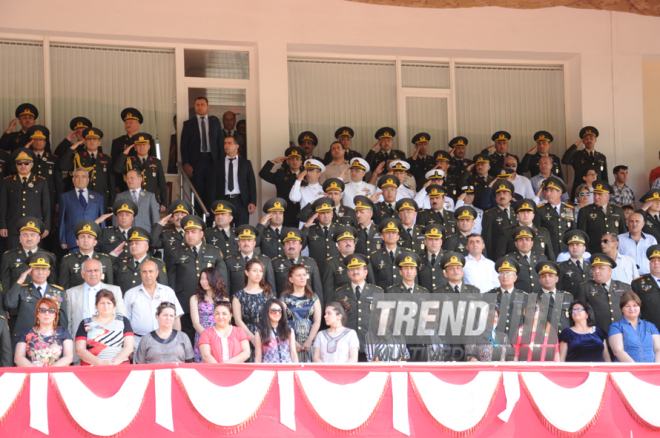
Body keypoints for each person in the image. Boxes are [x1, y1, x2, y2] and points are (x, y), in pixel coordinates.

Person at [168, 215, 227, 342]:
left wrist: (223, 301)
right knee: (186, 338)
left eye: (193, 232)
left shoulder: (214, 251)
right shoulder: (176, 252)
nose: (190, 235)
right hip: (184, 303)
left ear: (201, 233)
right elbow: (171, 281)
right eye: (187, 232)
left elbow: (222, 279)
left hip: (210, 305)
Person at [327, 254, 383, 362]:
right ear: (348, 273)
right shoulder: (340, 293)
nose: (355, 272)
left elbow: (383, 320)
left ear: (365, 272)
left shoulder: (377, 292)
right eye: (352, 269)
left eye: (358, 269)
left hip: (370, 345)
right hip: (346, 345)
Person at [5, 253, 68, 348]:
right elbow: (10, 304)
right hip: (24, 340)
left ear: (48, 272)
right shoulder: (21, 290)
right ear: (30, 272)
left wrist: (63, 340)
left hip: (51, 342)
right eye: (36, 269)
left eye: (44, 269)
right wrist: (19, 281)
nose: (40, 273)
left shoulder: (58, 292)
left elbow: (62, 320)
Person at [66, 258, 125, 358]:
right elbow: (68, 322)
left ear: (101, 273)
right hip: (80, 346)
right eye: (89, 271)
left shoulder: (115, 290)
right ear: (82, 274)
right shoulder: (71, 293)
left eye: (96, 270)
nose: (93, 273)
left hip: (109, 346)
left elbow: (121, 317)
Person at [124, 260, 184, 351]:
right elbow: (125, 321)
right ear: (140, 273)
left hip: (166, 341)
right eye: (144, 272)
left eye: (151, 271)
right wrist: (128, 346)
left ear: (157, 273)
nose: (148, 275)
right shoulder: (130, 294)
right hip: (138, 342)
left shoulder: (168, 292)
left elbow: (176, 318)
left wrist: (177, 341)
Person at [0, 148, 50, 249]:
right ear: (15, 165)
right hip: (13, 226)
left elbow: (46, 206)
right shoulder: (7, 181)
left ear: (32, 164)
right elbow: (3, 205)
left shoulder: (41, 181)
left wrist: (46, 226)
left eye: (26, 163)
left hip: (35, 227)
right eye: (19, 163)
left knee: (34, 258)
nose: (23, 166)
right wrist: (3, 225)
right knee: (13, 257)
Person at [180, 97, 224, 214]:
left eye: (202, 104)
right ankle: (199, 219)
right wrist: (186, 163)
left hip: (212, 160)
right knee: (197, 191)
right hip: (196, 161)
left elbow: (220, 144)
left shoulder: (215, 123)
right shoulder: (188, 124)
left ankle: (209, 221)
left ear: (208, 107)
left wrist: (221, 163)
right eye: (197, 104)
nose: (200, 107)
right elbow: (183, 146)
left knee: (211, 190)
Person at [0, 217, 57, 300]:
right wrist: (6, 308)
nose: (29, 238)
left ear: (39, 238)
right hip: (17, 306)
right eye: (25, 235)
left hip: (42, 307)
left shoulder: (49, 257)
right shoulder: (8, 257)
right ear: (20, 238)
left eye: (32, 235)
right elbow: (5, 285)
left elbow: (53, 284)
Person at [59, 127, 115, 211]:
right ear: (84, 142)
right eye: (89, 139)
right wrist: (71, 149)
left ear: (99, 142)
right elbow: (63, 166)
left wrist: (111, 202)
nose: (92, 141)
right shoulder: (77, 156)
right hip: (81, 196)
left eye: (95, 139)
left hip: (102, 196)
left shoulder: (107, 159)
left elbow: (111, 181)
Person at [75, 290, 134, 366]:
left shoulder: (123, 321)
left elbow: (129, 347)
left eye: (109, 303)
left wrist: (114, 363)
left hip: (120, 365)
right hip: (91, 366)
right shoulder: (85, 323)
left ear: (114, 306)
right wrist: (100, 363)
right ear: (96, 306)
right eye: (102, 303)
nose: (106, 306)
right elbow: (80, 350)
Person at [575, 253, 630, 335]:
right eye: (594, 269)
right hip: (596, 334)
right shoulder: (584, 288)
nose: (597, 271)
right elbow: (579, 312)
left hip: (622, 333)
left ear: (610, 271)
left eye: (601, 268)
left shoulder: (624, 287)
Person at [14, 297, 73, 367]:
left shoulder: (64, 332)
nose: (47, 313)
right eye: (42, 310)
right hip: (32, 374)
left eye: (51, 311)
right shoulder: (27, 333)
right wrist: (36, 372)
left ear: (55, 315)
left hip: (56, 374)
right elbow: (18, 358)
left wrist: (49, 371)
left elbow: (69, 358)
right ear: (37, 314)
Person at [211, 135, 257, 226]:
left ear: (237, 146)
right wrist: (213, 203)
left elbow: (251, 183)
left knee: (242, 229)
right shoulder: (218, 164)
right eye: (225, 143)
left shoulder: (246, 164)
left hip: (242, 201)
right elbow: (213, 186)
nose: (226, 146)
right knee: (225, 228)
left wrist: (252, 202)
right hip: (224, 200)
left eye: (229, 143)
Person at [232, 258, 271, 362]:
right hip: (246, 335)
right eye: (254, 270)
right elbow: (238, 320)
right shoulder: (238, 295)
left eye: (260, 271)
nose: (258, 274)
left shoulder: (268, 294)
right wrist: (252, 338)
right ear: (247, 272)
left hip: (266, 333)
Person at [281, 264, 322, 363]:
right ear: (291, 279)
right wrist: (292, 341)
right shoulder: (285, 298)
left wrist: (309, 340)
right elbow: (281, 322)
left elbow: (317, 321)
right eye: (298, 275)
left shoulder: (313, 297)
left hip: (310, 340)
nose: (302, 277)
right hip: (290, 340)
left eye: (304, 274)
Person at [58, 168, 105, 252]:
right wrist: (63, 240)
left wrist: (102, 240)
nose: (80, 179)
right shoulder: (65, 197)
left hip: (93, 240)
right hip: (73, 240)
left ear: (88, 179)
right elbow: (61, 220)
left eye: (83, 176)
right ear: (73, 180)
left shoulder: (98, 197)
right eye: (77, 176)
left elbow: (102, 221)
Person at [110, 108, 157, 191]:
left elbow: (153, 162)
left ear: (138, 125)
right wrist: (116, 184)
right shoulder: (118, 142)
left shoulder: (148, 141)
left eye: (131, 122)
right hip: (125, 182)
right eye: (126, 122)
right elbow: (115, 163)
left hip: (145, 182)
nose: (128, 124)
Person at [59, 220, 113, 289]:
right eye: (82, 237)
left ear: (95, 242)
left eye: (89, 237)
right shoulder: (68, 260)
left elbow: (109, 287)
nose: (86, 240)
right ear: (77, 242)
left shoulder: (105, 259)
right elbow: (63, 289)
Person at [190, 268, 229, 363]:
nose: (204, 281)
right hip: (203, 337)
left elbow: (227, 321)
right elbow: (195, 323)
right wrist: (208, 339)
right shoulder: (195, 298)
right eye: (202, 278)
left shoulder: (224, 299)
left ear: (214, 279)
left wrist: (217, 339)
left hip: (221, 337)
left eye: (207, 279)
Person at [225, 225, 277, 296]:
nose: (246, 243)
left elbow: (271, 286)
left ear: (254, 243)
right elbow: (226, 285)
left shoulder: (265, 261)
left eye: (249, 240)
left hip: (260, 303)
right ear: (239, 243)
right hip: (236, 302)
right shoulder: (229, 261)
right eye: (243, 240)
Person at [577, 181, 627, 254]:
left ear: (607, 197)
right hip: (594, 251)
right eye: (595, 194)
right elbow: (582, 234)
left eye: (600, 194)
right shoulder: (585, 211)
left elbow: (623, 233)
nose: (596, 197)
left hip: (615, 251)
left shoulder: (618, 210)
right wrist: (586, 252)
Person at [609, 291, 660, 363]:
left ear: (639, 307)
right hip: (627, 371)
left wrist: (656, 368)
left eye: (635, 305)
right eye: (627, 306)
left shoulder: (650, 326)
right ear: (622, 309)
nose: (632, 309)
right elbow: (618, 351)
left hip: (651, 371)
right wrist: (637, 369)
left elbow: (658, 349)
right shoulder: (616, 327)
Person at [25, 126, 63, 221]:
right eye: (35, 140)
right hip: (30, 196)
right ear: (30, 142)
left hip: (49, 197)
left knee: (48, 223)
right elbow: (13, 169)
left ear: (45, 142)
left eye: (41, 140)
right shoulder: (25, 157)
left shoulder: (53, 158)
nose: (38, 142)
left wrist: (58, 201)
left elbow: (58, 181)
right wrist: (24, 151)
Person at [259, 147, 304, 227]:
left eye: (297, 159)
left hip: (302, 214)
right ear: (287, 161)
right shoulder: (281, 174)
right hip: (286, 215)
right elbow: (263, 174)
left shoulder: (307, 175)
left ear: (301, 161)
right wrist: (273, 161)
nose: (294, 161)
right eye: (292, 159)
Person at [112, 227, 167, 293]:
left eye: (137, 243)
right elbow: (106, 270)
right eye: (131, 244)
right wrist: (113, 255)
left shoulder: (157, 264)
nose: (133, 246)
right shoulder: (121, 263)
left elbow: (163, 289)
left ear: (146, 247)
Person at [271, 228, 323, 296]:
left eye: (294, 243)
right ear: (284, 247)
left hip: (306, 304)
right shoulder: (275, 263)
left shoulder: (311, 263)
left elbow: (317, 289)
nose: (291, 246)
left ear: (300, 246)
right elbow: (271, 289)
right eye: (288, 243)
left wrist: (319, 306)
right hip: (283, 304)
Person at [562, 126, 608, 198]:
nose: (589, 140)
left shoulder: (601, 157)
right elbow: (565, 160)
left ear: (595, 140)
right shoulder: (577, 155)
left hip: (597, 192)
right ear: (583, 141)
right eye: (586, 139)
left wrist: (605, 193)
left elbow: (604, 177)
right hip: (581, 192)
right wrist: (575, 145)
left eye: (591, 138)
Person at [533, 177, 575, 257]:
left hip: (566, 251)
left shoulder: (568, 209)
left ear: (559, 193)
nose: (548, 193)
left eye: (551, 191)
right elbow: (537, 232)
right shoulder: (540, 210)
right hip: (548, 251)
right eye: (547, 190)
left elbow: (572, 230)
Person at [370, 219, 412, 290]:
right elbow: (373, 281)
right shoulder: (375, 256)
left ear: (398, 237)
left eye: (393, 232)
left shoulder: (407, 254)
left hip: (403, 295)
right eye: (387, 233)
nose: (391, 235)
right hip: (384, 296)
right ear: (382, 237)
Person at [254, 298, 299, 363]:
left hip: (287, 369)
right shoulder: (260, 333)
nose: (277, 313)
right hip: (268, 370)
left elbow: (293, 354)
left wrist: (296, 370)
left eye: (280, 311)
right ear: (267, 312)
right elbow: (258, 358)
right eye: (273, 311)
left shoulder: (289, 331)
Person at [505, 226, 548, 293]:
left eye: (527, 240)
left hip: (539, 298)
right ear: (516, 244)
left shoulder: (542, 258)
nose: (524, 243)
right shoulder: (509, 260)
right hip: (519, 298)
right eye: (521, 240)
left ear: (532, 243)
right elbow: (506, 278)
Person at [151, 200, 193, 266]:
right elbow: (153, 243)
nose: (179, 217)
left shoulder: (195, 235)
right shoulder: (166, 235)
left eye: (183, 215)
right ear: (172, 219)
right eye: (176, 215)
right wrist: (159, 224)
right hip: (171, 274)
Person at [481, 180, 517, 257]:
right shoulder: (489, 214)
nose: (502, 196)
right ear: (496, 199)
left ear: (510, 197)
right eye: (498, 194)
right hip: (498, 255)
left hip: (515, 254)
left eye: (504, 193)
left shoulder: (517, 213)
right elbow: (487, 239)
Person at [631, 245, 660, 331]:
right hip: (648, 330)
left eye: (659, 260)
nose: (656, 263)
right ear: (649, 264)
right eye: (653, 261)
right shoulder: (638, 283)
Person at [416, 225, 448, 293]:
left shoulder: (449, 258)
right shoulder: (418, 259)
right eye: (430, 239)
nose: (434, 243)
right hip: (424, 299)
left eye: (436, 239)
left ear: (441, 242)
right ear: (425, 242)